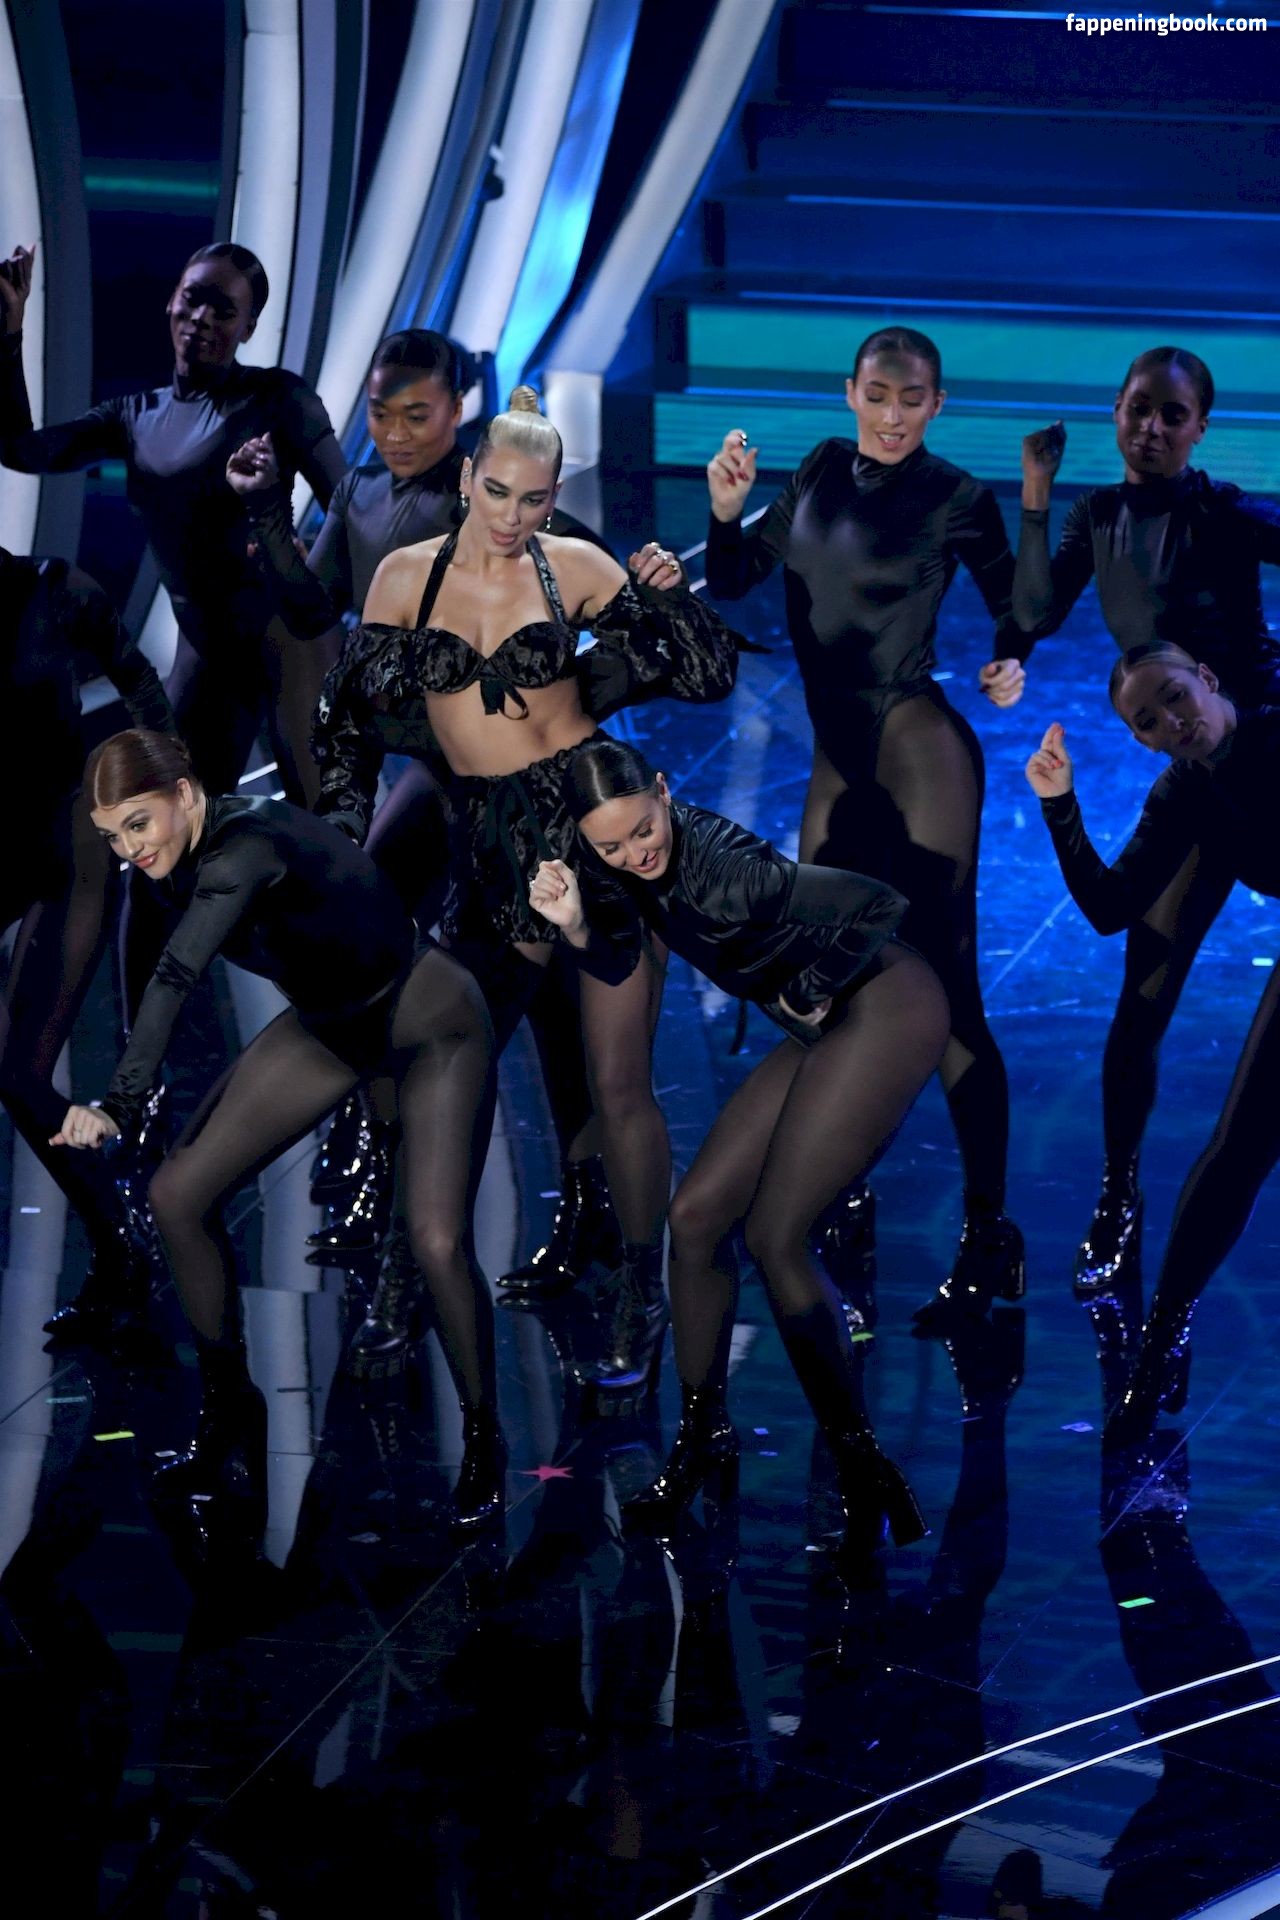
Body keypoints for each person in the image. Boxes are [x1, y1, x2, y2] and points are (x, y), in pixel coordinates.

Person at [312, 386, 742, 1376]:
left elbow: (707, 674)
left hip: (593, 828)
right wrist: (339, 846)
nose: (512, 516)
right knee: (443, 1067)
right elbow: (347, 722)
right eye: (498, 492)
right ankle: (406, 1271)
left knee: (617, 1081)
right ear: (467, 478)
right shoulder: (405, 579)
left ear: (555, 497)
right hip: (487, 840)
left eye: (535, 498)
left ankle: (641, 1291)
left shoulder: (572, 566)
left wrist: (666, 600)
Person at [226, 330, 626, 1294]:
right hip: (429, 775)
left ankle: (589, 1209)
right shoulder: (363, 495)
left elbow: (604, 601)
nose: (396, 432)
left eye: (418, 414)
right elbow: (313, 611)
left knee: (549, 1004)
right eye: (381, 413)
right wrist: (269, 513)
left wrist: (566, 705)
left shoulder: (492, 494)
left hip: (524, 784)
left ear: (458, 411)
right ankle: (381, 1165)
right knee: (368, 950)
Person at [52, 729, 503, 1529]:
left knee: (436, 1242)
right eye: (112, 836)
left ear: (184, 793)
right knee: (176, 1197)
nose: (129, 850)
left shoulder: (244, 850)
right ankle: (230, 1407)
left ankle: (482, 1438)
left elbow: (176, 974)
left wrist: (118, 1104)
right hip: (331, 1029)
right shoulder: (180, 850)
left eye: (138, 825)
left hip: (431, 1022)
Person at [530, 738, 949, 1561]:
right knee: (693, 1220)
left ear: (663, 790)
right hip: (826, 1026)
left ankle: (862, 1465)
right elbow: (620, 957)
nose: (635, 853)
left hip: (888, 1005)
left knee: (775, 1237)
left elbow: (879, 904)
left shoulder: (729, 868)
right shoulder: (615, 865)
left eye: (643, 830)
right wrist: (575, 925)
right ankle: (702, 1439)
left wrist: (809, 989)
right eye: (611, 846)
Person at [703, 325, 1025, 1327]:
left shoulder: (955, 496)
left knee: (946, 994)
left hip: (919, 756)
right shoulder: (813, 473)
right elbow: (734, 579)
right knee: (826, 987)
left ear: (937, 404)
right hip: (837, 763)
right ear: (849, 393)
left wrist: (1008, 656)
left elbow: (1016, 601)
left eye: (910, 399)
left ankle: (989, 1238)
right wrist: (723, 514)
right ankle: (841, 1203)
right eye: (877, 395)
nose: (891, 415)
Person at [1014, 347, 1280, 1301]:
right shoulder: (1097, 516)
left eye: (1173, 415)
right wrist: (1036, 494)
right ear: (1116, 412)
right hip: (1193, 784)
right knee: (1142, 1004)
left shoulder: (1224, 512)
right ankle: (1117, 1194)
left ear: (1200, 427)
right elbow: (1033, 612)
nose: (1152, 428)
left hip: (1262, 751)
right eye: (1138, 409)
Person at [1025, 643, 1280, 1447]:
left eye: (1175, 697)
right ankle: (1162, 1341)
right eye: (1149, 722)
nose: (1173, 722)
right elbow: (1112, 907)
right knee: (1241, 1142)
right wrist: (1059, 805)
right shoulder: (1186, 791)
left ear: (1208, 677)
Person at [0, 240, 345, 804]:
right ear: (172, 301)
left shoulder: (279, 398)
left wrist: (311, 576)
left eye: (224, 310)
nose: (202, 318)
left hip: (290, 640)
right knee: (178, 826)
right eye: (194, 298)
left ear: (249, 328)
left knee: (328, 822)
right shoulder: (132, 417)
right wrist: (9, 331)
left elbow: (348, 508)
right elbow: (20, 450)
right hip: (206, 652)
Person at [0, 549, 175, 1343]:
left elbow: (141, 684)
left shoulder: (57, 588)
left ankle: (122, 1245)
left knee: (19, 1074)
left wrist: (163, 801)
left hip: (62, 857)